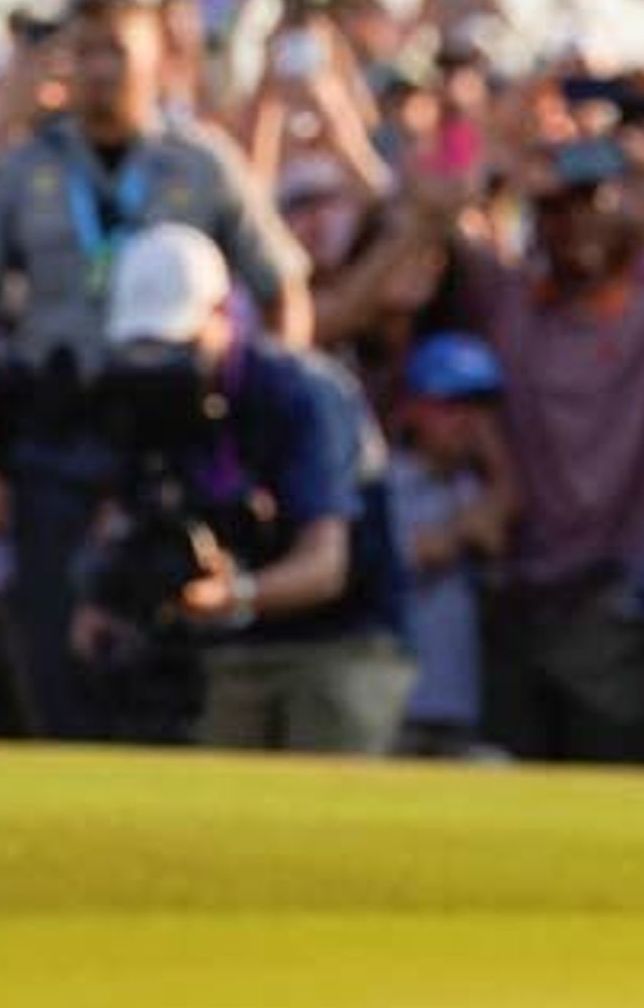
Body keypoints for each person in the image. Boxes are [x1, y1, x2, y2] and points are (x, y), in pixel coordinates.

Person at [0, 0, 310, 741]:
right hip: (59, 440)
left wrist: (269, 412)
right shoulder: (25, 169)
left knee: (178, 648)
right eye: (84, 52)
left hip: (178, 446)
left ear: (159, 60)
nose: (98, 70)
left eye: (116, 51)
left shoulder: (200, 164)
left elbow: (285, 286)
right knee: (54, 649)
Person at [449, 130, 644, 763]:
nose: (574, 223)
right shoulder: (512, 304)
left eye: (591, 202)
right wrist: (500, 152)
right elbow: (438, 220)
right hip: (517, 596)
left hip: (615, 609)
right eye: (556, 208)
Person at [71, 222, 415, 753]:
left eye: (174, 343)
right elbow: (126, 516)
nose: (157, 363)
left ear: (222, 316)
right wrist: (105, 600)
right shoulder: (140, 397)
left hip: (344, 640)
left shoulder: (300, 393)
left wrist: (235, 596)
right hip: (232, 648)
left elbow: (325, 567)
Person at [385, 331, 515, 757]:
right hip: (397, 705)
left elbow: (497, 528)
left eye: (480, 407)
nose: (468, 421)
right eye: (452, 406)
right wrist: (467, 530)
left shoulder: (468, 488)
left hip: (456, 706)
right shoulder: (387, 483)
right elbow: (423, 552)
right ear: (416, 407)